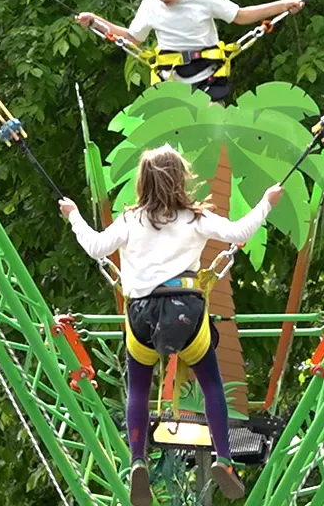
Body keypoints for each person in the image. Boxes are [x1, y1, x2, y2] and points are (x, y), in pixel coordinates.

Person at [59, 145, 283, 505]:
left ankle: (137, 461)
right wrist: (267, 201)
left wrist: (72, 214)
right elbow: (241, 230)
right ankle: (223, 459)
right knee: (211, 385)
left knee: (138, 388)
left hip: (142, 316)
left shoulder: (132, 221)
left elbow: (96, 246)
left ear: (142, 183)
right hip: (186, 314)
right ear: (181, 180)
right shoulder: (194, 219)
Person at [76, 0, 304, 102]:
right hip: (170, 77)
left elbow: (240, 16)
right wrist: (96, 21)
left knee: (211, 128)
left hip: (209, 73)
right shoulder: (150, 4)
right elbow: (133, 38)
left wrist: (282, 5)